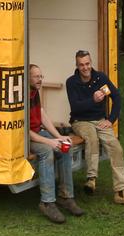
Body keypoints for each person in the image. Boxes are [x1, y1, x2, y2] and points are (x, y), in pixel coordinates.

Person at [66, 50, 124, 206]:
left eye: (87, 63)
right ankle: (91, 179)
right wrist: (92, 100)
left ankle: (121, 192)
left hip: (100, 120)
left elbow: (117, 97)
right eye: (81, 65)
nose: (85, 67)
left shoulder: (101, 78)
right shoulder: (72, 82)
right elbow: (76, 107)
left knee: (116, 147)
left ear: (91, 62)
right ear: (77, 65)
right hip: (80, 121)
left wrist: (111, 119)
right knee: (91, 138)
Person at [29, 64, 84, 223]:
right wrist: (50, 142)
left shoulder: (34, 92)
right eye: (36, 76)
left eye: (41, 76)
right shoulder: (21, 95)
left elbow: (42, 114)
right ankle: (47, 202)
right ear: (28, 78)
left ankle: (65, 196)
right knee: (47, 151)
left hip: (37, 133)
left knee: (64, 147)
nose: (40, 79)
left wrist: (58, 137)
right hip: (24, 139)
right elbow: (24, 131)